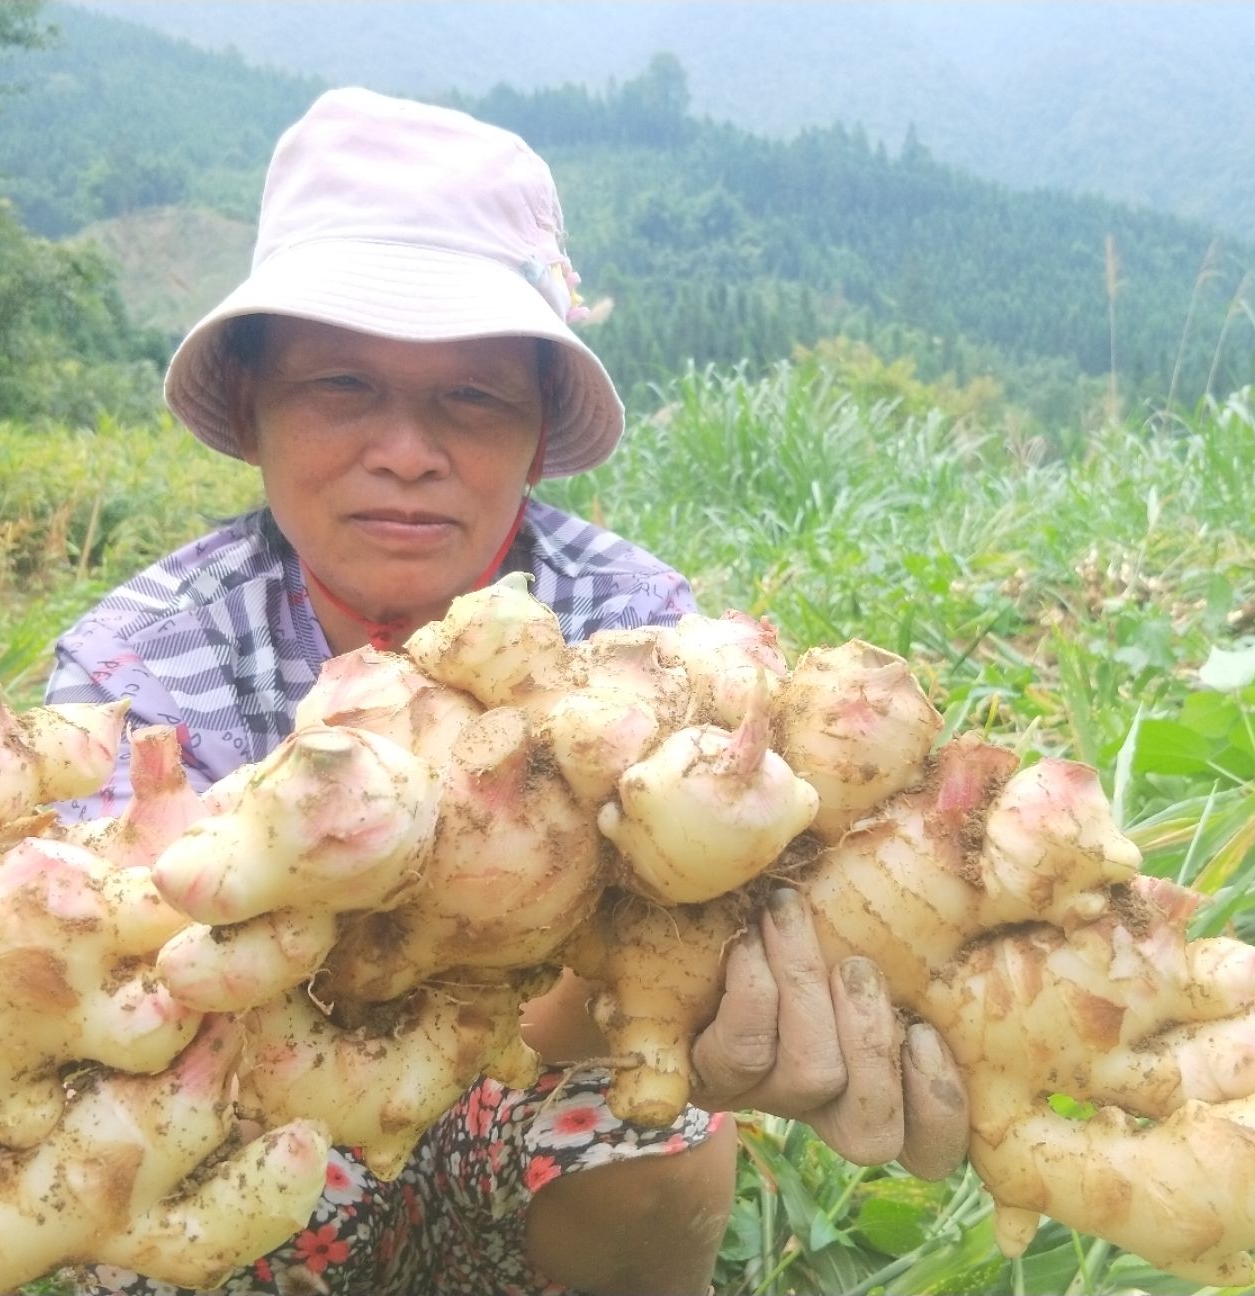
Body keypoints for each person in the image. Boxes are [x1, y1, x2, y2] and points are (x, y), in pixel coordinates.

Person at [47, 88, 967, 1296]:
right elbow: (129, 1008)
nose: (408, 451)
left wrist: (693, 1003)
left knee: (664, 1133)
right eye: (339, 385)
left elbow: (715, 923)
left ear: (536, 435)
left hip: (542, 1085)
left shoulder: (642, 628)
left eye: (471, 398)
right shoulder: (132, 667)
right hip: (245, 1122)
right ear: (254, 411)